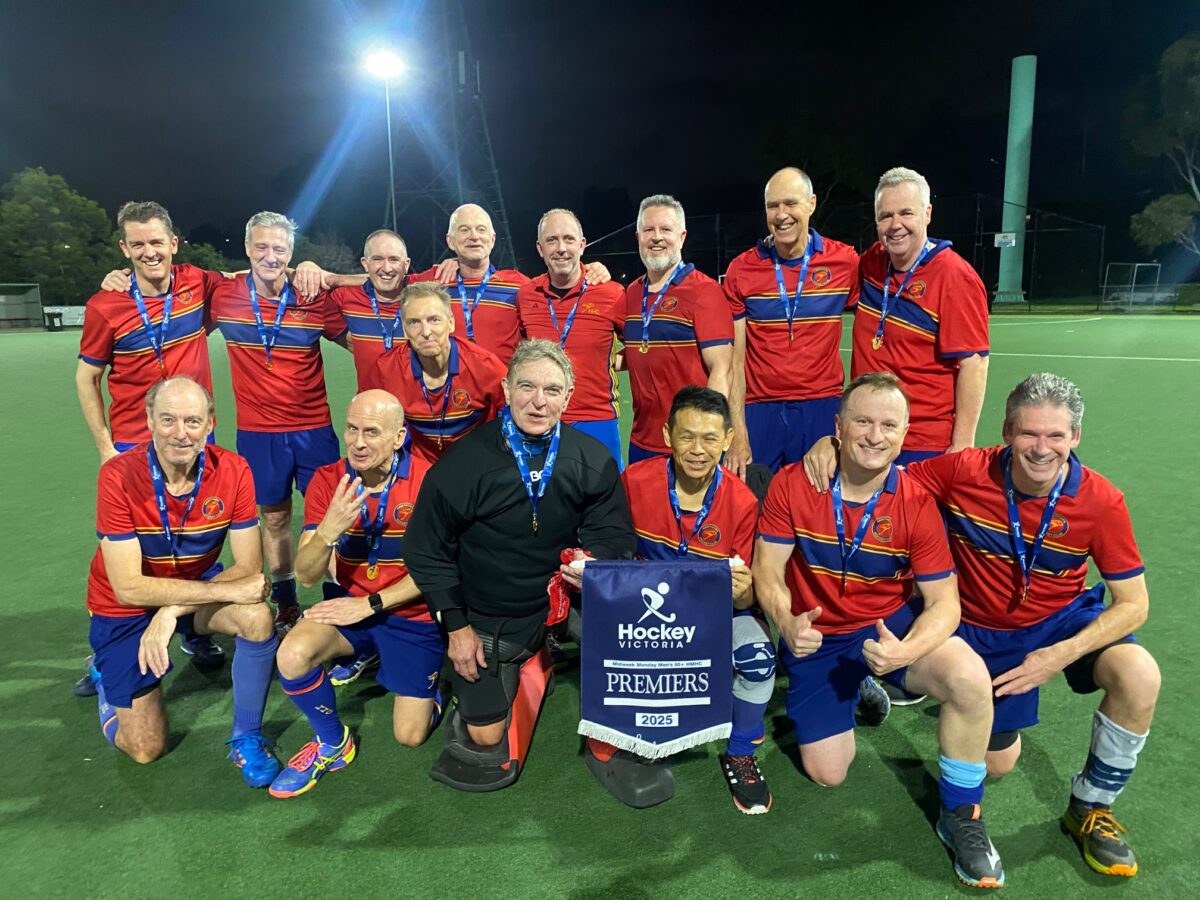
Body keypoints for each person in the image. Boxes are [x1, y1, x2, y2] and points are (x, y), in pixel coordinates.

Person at [806, 373, 1157, 879]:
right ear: (1007, 430)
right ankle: (960, 814)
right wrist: (832, 445)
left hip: (1056, 624)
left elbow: (1134, 604)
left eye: (1056, 435)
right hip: (969, 623)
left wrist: (1058, 655)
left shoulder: (1101, 500)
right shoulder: (965, 470)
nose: (1041, 448)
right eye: (1029, 433)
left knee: (1139, 675)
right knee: (995, 762)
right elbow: (884, 473)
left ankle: (1091, 808)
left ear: (1075, 437)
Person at [755, 372, 1003, 888]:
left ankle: (962, 815)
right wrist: (785, 621)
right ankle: (860, 686)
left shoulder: (916, 501)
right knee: (828, 773)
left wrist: (907, 651)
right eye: (862, 422)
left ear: (906, 432)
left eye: (889, 425)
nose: (875, 435)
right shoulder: (792, 483)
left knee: (969, 680)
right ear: (837, 428)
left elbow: (945, 604)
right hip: (819, 636)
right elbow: (768, 569)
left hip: (887, 628)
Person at [405, 339, 635, 791]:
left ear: (568, 397)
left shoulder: (591, 458)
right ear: (507, 389)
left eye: (552, 390)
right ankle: (526, 661)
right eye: (527, 387)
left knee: (631, 639)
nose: (538, 401)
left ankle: (586, 709)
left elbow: (615, 535)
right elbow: (424, 549)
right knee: (486, 737)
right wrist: (456, 627)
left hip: (564, 600)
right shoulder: (466, 461)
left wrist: (594, 559)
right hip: (492, 611)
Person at [85, 376, 280, 786]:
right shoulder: (117, 475)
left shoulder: (234, 469)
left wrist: (171, 610)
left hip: (191, 589)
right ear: (149, 420)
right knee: (145, 748)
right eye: (168, 419)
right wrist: (180, 603)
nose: (180, 433)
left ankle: (247, 737)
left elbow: (248, 566)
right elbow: (128, 587)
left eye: (192, 421)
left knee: (257, 617)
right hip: (124, 608)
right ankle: (107, 679)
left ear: (210, 423)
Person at [76, 201, 231, 685]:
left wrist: (315, 271)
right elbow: (87, 378)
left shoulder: (197, 283)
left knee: (195, 536)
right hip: (133, 443)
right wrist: (105, 448)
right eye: (138, 244)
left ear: (173, 243)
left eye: (156, 242)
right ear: (124, 249)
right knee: (127, 550)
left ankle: (191, 628)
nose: (149, 252)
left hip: (193, 437)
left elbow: (251, 274)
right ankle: (109, 645)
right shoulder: (105, 305)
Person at [268, 390, 444, 797]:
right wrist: (327, 532)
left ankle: (432, 686)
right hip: (348, 608)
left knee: (410, 735)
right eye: (352, 429)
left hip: (410, 615)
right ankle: (332, 743)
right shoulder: (328, 480)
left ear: (399, 437)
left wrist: (370, 604)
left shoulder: (429, 481)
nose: (358, 443)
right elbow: (306, 577)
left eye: (372, 432)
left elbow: (438, 571)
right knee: (291, 655)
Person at [618, 386, 773, 814]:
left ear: (727, 440)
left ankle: (741, 751)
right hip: (648, 616)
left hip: (712, 615)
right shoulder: (634, 482)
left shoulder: (742, 501)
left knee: (759, 658)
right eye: (686, 436)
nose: (698, 450)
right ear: (667, 434)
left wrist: (744, 593)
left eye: (710, 438)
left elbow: (746, 596)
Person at [209, 211, 351, 632]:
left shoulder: (312, 295)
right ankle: (286, 602)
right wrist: (119, 276)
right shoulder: (223, 295)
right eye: (262, 247)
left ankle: (337, 603)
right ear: (247, 248)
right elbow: (167, 287)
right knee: (273, 519)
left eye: (280, 248)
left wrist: (328, 275)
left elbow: (360, 338)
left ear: (290, 252)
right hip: (258, 433)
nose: (270, 256)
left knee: (331, 517)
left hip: (314, 430)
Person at [723, 168, 859, 477]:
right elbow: (735, 361)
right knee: (753, 497)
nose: (781, 214)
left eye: (790, 203)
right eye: (773, 206)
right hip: (760, 408)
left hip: (822, 406)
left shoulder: (845, 263)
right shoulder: (741, 270)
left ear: (811, 204)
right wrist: (738, 431)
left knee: (819, 498)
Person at [851, 167, 989, 463]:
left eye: (906, 213)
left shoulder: (954, 275)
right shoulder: (872, 263)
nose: (895, 225)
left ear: (927, 214)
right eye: (885, 216)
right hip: (867, 435)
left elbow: (974, 364)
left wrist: (962, 443)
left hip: (923, 442)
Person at [622, 194, 733, 463]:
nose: (656, 237)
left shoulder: (705, 291)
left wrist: (704, 436)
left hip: (688, 443)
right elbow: (632, 353)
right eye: (648, 230)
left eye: (665, 229)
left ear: (682, 237)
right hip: (640, 439)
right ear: (638, 237)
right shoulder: (632, 293)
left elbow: (721, 369)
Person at [517, 208, 627, 467]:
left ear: (582, 244)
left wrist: (607, 361)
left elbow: (640, 349)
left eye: (568, 239)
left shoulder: (611, 294)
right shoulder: (526, 295)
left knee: (605, 491)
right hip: (542, 417)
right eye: (551, 240)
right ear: (540, 248)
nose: (561, 248)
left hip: (597, 419)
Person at [366, 282, 508, 463]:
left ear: (451, 323)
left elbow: (518, 412)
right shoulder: (385, 370)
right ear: (404, 329)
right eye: (414, 322)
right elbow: (367, 423)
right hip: (421, 465)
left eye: (434, 320)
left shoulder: (484, 365)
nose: (426, 332)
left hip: (478, 461)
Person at [327, 229, 413, 387]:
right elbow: (303, 283)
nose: (387, 268)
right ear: (365, 263)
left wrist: (453, 261)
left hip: (417, 402)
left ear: (406, 264)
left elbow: (461, 270)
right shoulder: (346, 297)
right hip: (369, 402)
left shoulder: (423, 295)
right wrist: (307, 266)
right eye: (377, 259)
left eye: (394, 259)